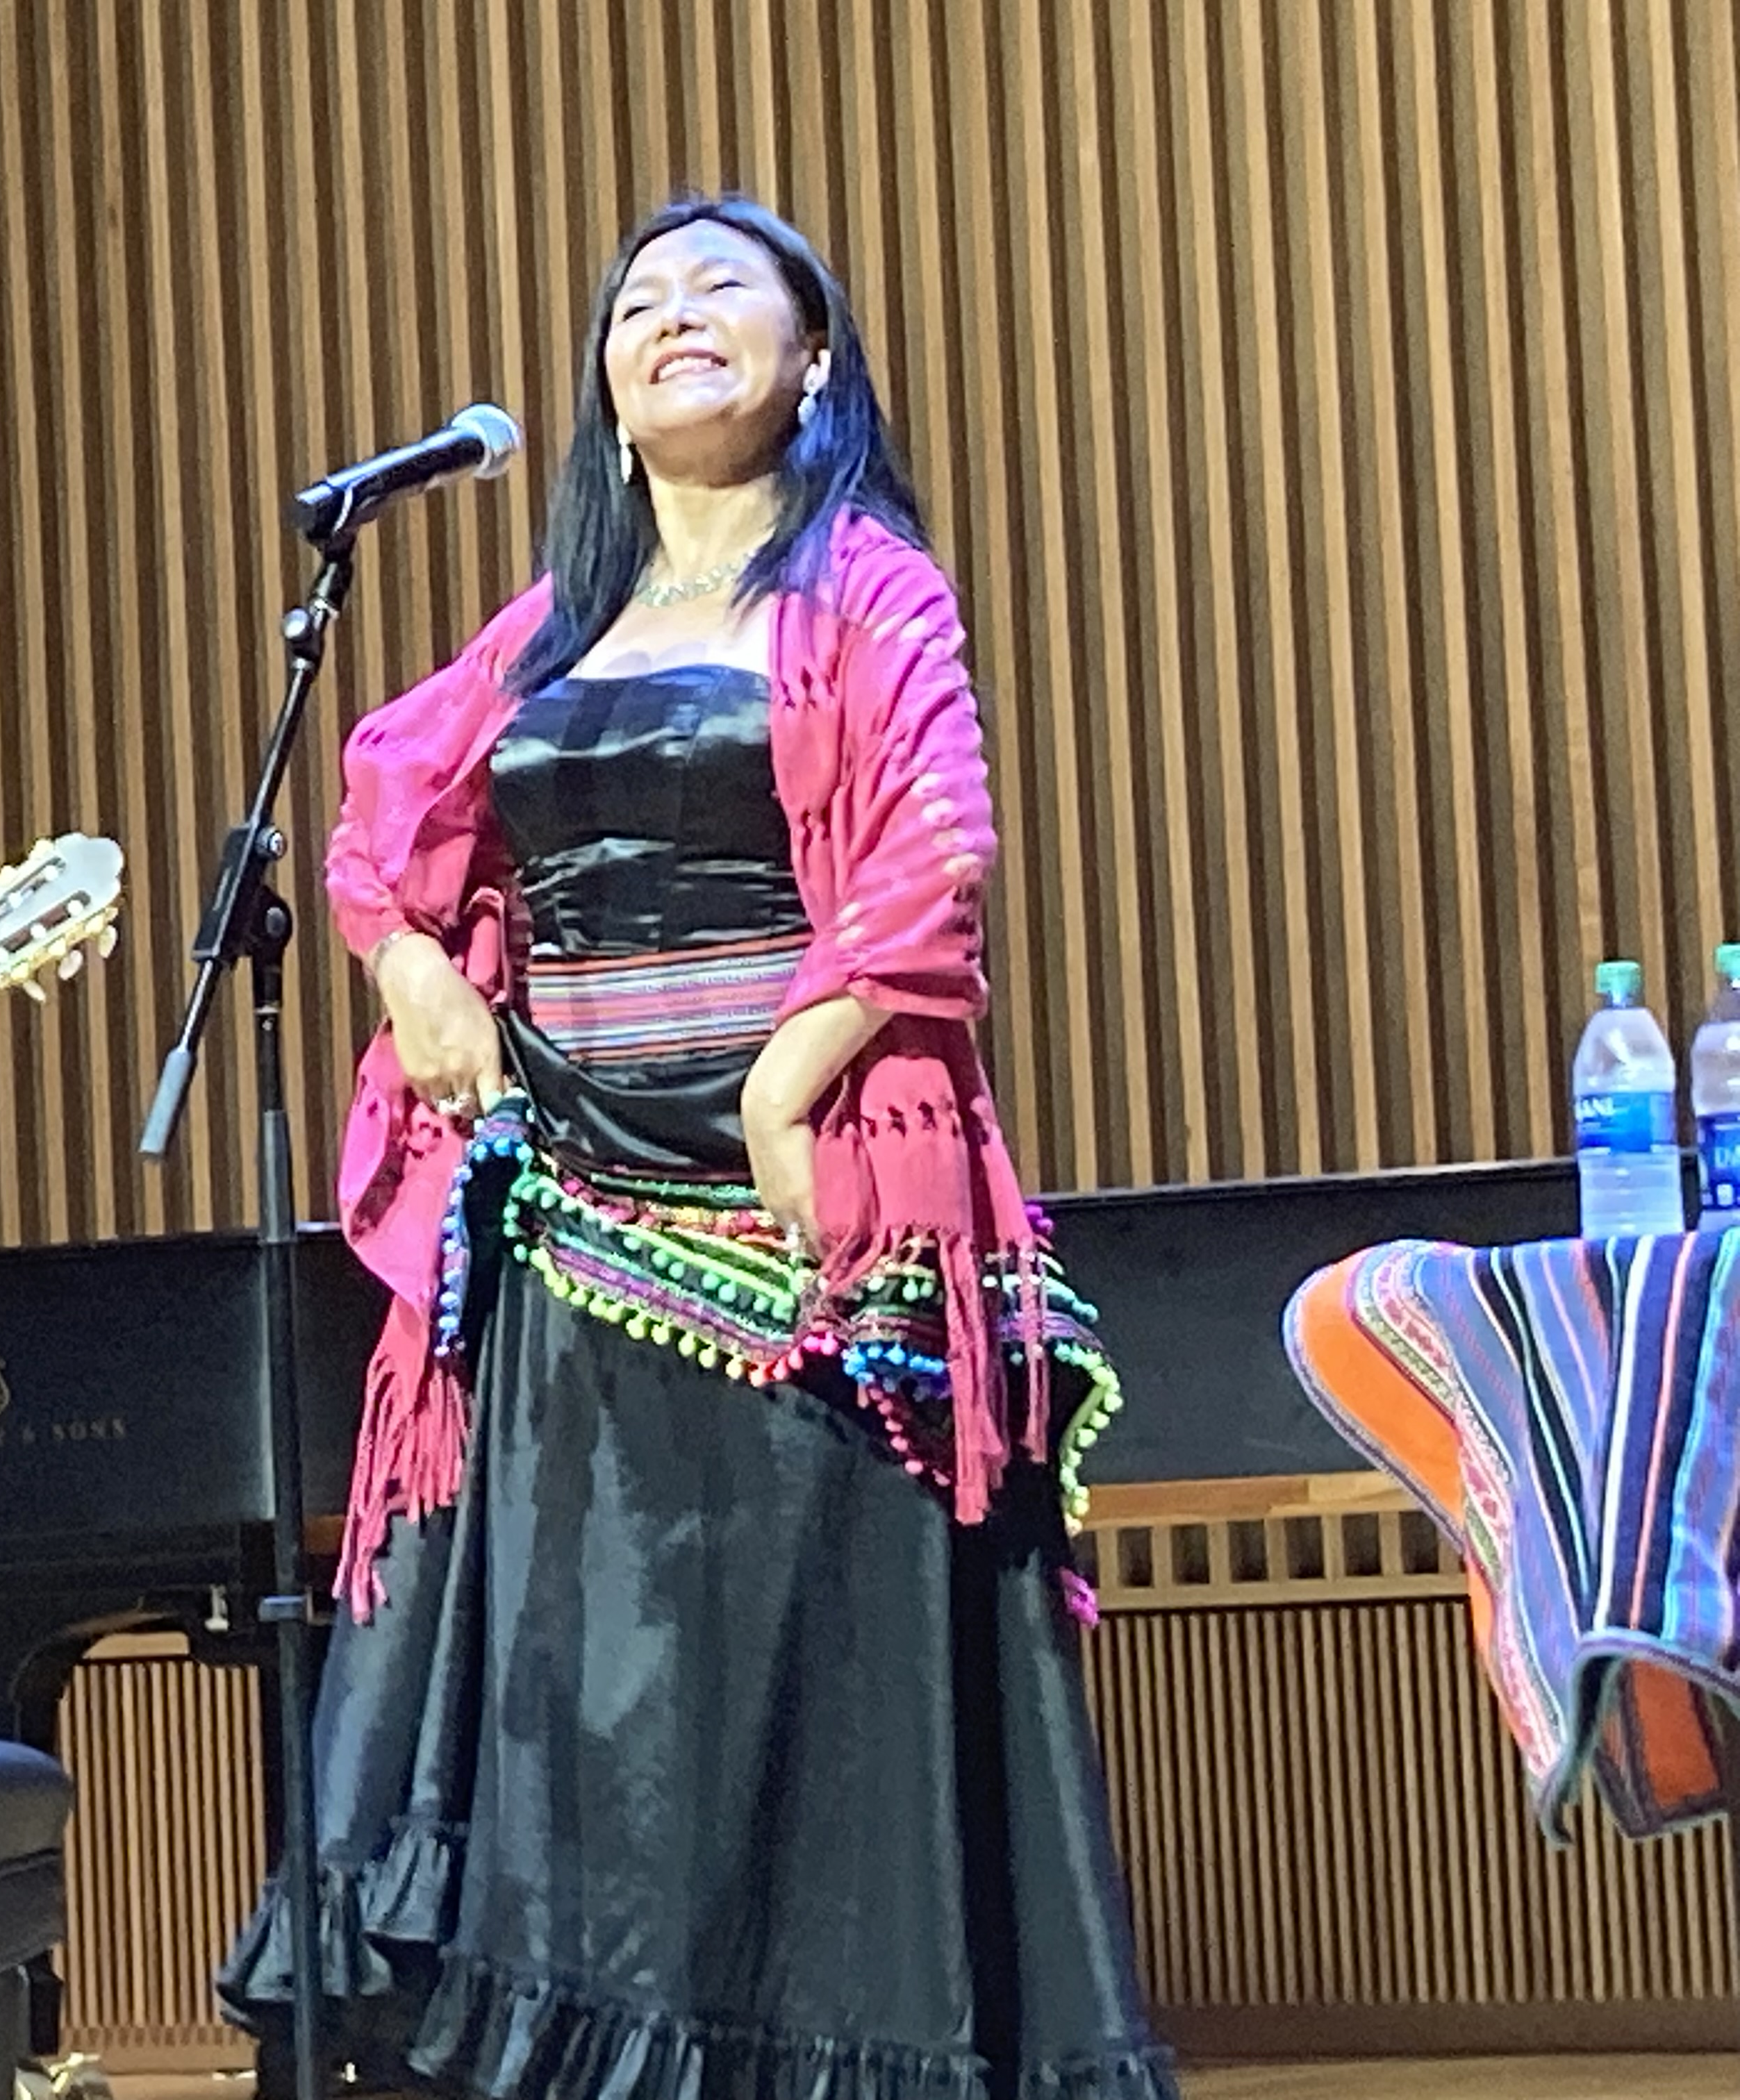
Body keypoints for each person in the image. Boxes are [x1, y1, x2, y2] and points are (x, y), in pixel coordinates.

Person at [219, 196, 1173, 2100]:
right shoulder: (550, 632)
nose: (670, 317)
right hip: (574, 1226)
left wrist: (779, 1083)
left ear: (815, 359)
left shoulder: (870, 589)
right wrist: (409, 963)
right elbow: (368, 824)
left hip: (808, 1222)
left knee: (812, 1722)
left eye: (722, 286)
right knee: (605, 1740)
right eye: (636, 301)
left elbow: (934, 869)